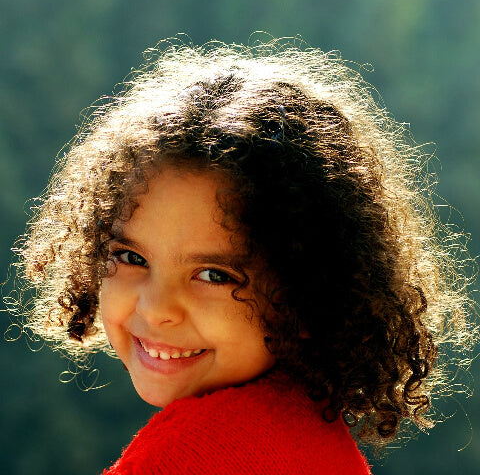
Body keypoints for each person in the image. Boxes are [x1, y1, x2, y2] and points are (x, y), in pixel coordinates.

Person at [14, 38, 476, 474]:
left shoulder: (195, 453)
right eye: (132, 258)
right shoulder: (307, 425)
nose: (155, 309)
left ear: (309, 292)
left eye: (214, 274)